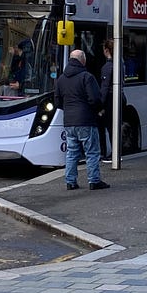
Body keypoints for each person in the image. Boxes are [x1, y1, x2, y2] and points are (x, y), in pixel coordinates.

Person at [53, 48, 107, 191]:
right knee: (92, 152)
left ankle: (70, 181)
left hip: (69, 121)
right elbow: (94, 99)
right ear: (82, 60)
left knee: (72, 152)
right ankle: (94, 181)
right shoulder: (87, 77)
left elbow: (57, 102)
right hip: (86, 120)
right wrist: (99, 110)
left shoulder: (61, 79)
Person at [97, 39, 116, 157]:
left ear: (106, 50)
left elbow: (104, 87)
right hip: (117, 98)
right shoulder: (120, 63)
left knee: (104, 126)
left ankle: (103, 152)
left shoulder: (107, 67)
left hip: (109, 99)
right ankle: (115, 151)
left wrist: (100, 104)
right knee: (113, 127)